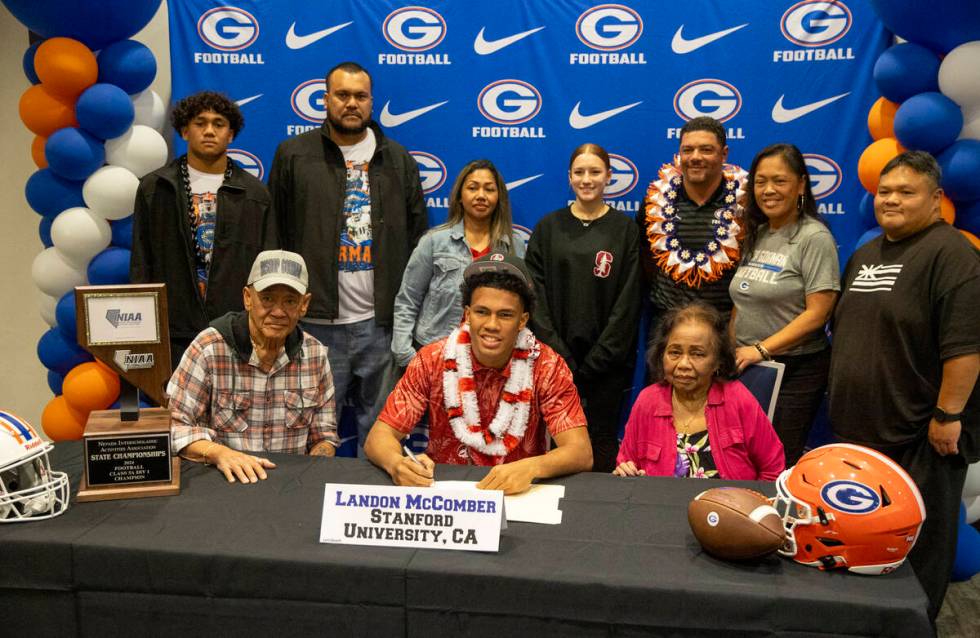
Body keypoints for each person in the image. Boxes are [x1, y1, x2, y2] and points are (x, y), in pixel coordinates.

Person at [828, 151, 979, 622]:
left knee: (919, 549)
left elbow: (966, 347)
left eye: (906, 192)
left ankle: (914, 627)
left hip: (920, 435)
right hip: (862, 433)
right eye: (884, 191)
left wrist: (947, 415)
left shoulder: (952, 253)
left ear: (935, 200)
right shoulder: (867, 253)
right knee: (864, 543)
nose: (891, 199)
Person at [268, 61, 428, 455]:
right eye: (342, 95)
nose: (351, 103)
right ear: (325, 100)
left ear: (372, 102)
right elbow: (276, 234)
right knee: (310, 434)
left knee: (382, 435)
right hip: (314, 324)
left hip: (381, 324)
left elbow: (416, 238)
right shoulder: (294, 154)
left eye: (360, 96)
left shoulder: (397, 159)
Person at [364, 253, 593, 494]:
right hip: (444, 495)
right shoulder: (432, 360)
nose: (492, 325)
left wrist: (532, 468)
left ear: (522, 320)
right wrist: (397, 464)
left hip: (516, 495)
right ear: (467, 314)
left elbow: (580, 451)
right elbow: (379, 436)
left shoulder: (546, 366)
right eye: (482, 312)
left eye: (505, 315)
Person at [168, 250, 339, 485]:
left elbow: (325, 436)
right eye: (267, 299)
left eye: (290, 301)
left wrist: (307, 476)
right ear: (248, 298)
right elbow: (173, 427)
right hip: (225, 482)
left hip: (291, 486)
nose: (278, 312)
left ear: (304, 305)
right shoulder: (209, 348)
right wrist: (220, 454)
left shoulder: (316, 355)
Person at [131, 91, 275, 368]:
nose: (209, 131)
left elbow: (265, 268)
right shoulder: (157, 188)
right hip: (174, 331)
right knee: (176, 411)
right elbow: (141, 263)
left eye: (219, 124)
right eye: (200, 123)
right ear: (185, 130)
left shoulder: (255, 195)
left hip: (235, 330)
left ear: (230, 135)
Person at [525, 143, 640, 472]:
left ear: (609, 177)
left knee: (601, 441)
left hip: (608, 366)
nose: (586, 179)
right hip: (554, 362)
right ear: (569, 177)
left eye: (595, 172)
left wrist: (595, 363)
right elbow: (536, 298)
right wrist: (560, 356)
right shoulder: (548, 228)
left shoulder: (625, 230)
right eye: (579, 172)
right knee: (553, 441)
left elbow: (628, 303)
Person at [729, 143, 840, 465]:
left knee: (774, 463)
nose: (768, 190)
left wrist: (760, 350)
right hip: (747, 367)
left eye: (779, 181)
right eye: (761, 182)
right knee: (741, 458)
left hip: (795, 370)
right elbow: (743, 301)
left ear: (801, 184)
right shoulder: (758, 233)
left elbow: (819, 312)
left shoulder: (813, 237)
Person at [614, 302, 784, 480]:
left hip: (729, 506)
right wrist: (626, 471)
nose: (684, 364)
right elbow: (626, 462)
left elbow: (773, 471)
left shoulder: (738, 399)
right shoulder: (648, 401)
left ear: (717, 361)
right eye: (675, 352)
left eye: (697, 354)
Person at [392, 159, 524, 369]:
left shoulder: (514, 246)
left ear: (499, 197)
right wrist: (406, 355)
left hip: (492, 359)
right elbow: (407, 300)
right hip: (434, 354)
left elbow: (521, 306)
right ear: (460, 196)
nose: (481, 195)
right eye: (472, 188)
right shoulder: (434, 242)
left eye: (489, 189)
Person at [639, 116, 748, 334]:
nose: (695, 157)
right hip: (666, 326)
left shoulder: (746, 202)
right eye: (688, 150)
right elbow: (645, 259)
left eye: (706, 150)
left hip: (723, 327)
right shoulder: (655, 201)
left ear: (724, 153)